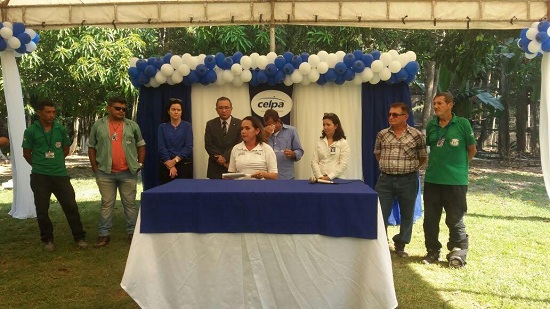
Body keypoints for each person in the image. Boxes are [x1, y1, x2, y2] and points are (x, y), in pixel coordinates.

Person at [22, 99, 88, 251]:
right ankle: (48, 240)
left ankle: (79, 237)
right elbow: (26, 154)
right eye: (48, 112)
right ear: (39, 113)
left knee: (71, 206)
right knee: (42, 209)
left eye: (53, 112)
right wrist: (39, 165)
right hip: (40, 177)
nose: (51, 115)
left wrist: (55, 163)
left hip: (60, 175)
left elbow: (65, 149)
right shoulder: (31, 131)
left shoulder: (60, 129)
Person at [422, 92, 477, 268]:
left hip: (455, 182)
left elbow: (471, 150)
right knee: (430, 219)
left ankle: (458, 252)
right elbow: (429, 147)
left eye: (440, 103)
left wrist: (459, 167)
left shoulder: (462, 124)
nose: (436, 106)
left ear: (450, 104)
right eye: (434, 103)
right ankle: (432, 251)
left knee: (454, 219)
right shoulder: (432, 125)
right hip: (432, 180)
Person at [88, 96, 146, 248]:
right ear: (108, 108)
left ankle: (133, 234)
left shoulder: (132, 125)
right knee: (107, 204)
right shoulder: (98, 126)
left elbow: (141, 145)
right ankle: (104, 235)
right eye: (118, 108)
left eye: (124, 109)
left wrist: (139, 163)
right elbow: (91, 147)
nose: (121, 111)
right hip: (105, 172)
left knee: (130, 204)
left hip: (128, 172)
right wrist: (94, 167)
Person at [374, 102, 427, 258]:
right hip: (385, 180)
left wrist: (408, 168)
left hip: (408, 180)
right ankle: (380, 244)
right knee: (380, 212)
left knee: (407, 214)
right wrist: (388, 166)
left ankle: (401, 244)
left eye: (395, 114)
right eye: (390, 114)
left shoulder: (416, 135)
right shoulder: (382, 134)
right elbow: (378, 154)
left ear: (405, 116)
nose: (391, 117)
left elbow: (423, 157)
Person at [205, 97, 242, 179]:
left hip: (233, 166)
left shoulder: (240, 124)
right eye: (220, 108)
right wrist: (219, 158)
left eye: (226, 107)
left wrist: (225, 157)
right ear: (216, 110)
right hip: (215, 168)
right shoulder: (210, 124)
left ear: (231, 109)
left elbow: (239, 144)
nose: (224, 110)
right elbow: (208, 145)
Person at [158, 98, 193, 183]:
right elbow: (161, 147)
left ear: (181, 112)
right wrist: (170, 165)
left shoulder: (187, 126)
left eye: (178, 110)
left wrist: (175, 161)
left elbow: (188, 147)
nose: (176, 112)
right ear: (168, 111)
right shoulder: (162, 127)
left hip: (183, 164)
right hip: (166, 164)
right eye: (173, 109)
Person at [263, 109, 304, 180]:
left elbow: (299, 151)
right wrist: (266, 136)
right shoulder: (263, 133)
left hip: (286, 176)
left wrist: (293, 153)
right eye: (267, 125)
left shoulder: (291, 131)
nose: (269, 127)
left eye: (271, 124)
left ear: (278, 121)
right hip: (268, 177)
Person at [311, 113, 350, 180]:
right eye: (324, 125)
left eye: (328, 125)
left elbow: (343, 165)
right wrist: (320, 176)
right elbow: (314, 161)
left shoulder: (343, 142)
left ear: (336, 126)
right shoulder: (320, 142)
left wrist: (329, 177)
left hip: (336, 179)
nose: (325, 127)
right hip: (320, 178)